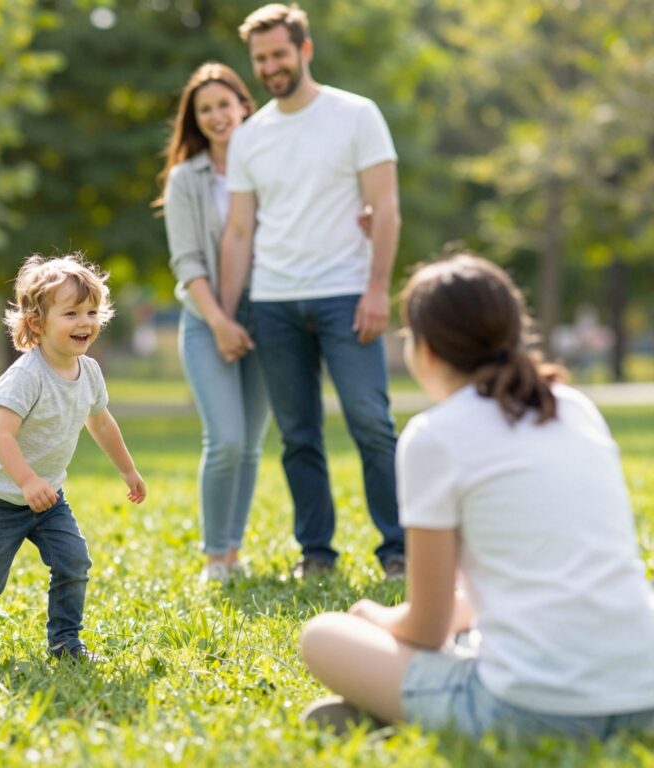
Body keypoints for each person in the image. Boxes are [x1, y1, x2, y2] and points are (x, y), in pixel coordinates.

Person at [298, 253, 654, 740]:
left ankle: (397, 707)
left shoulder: (433, 436)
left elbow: (425, 626)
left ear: (425, 350)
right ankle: (391, 709)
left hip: (531, 707)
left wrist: (372, 617)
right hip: (643, 694)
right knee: (465, 631)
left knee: (323, 636)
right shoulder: (574, 407)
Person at [219, 3, 405, 580]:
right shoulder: (249, 138)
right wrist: (227, 315)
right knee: (298, 435)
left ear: (304, 49)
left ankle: (398, 548)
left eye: (278, 53)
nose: (270, 66)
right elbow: (240, 231)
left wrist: (378, 290)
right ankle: (316, 553)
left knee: (370, 420)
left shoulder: (357, 115)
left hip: (347, 295)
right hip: (273, 304)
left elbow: (388, 207)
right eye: (260, 58)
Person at [0, 253, 147, 666]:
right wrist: (26, 480)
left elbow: (100, 423)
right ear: (37, 323)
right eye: (71, 313)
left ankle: (65, 642)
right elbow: (1, 434)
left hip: (47, 497)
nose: (85, 322)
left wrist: (128, 469)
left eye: (91, 311)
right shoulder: (26, 376)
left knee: (74, 561)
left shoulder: (91, 372)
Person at [156, 62, 271, 584]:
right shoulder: (186, 178)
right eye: (205, 110)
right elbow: (187, 263)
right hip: (206, 319)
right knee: (223, 438)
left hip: (269, 317)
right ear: (195, 121)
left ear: (245, 105)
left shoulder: (274, 164)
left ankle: (232, 552)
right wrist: (221, 322)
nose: (217, 115)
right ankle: (212, 557)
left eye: (225, 104)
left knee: (249, 444)